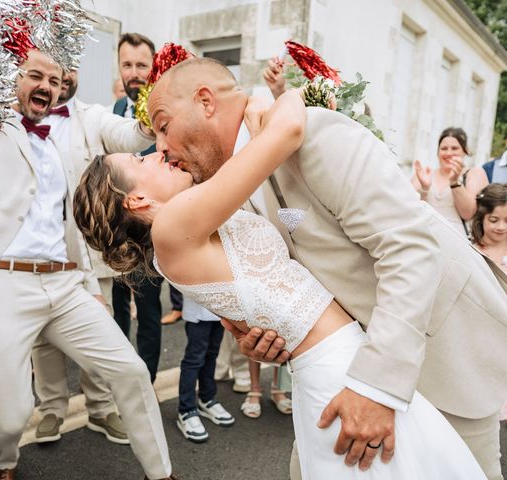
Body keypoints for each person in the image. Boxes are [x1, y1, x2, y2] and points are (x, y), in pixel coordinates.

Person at [75, 74, 487, 479]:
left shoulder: (197, 218)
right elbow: (288, 128)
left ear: (204, 102)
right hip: (337, 368)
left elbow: (294, 240)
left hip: (383, 356)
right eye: (142, 157)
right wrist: (285, 98)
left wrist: (262, 331)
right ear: (137, 198)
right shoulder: (174, 227)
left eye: (162, 129)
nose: (158, 148)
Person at [0, 49, 174, 480]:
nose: (46, 86)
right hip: (1, 283)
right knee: (11, 414)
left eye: (54, 80)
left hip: (64, 283)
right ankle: (2, 463)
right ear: (11, 78)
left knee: (129, 370)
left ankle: (162, 473)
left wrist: (162, 100)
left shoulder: (67, 131)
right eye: (34, 75)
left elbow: (133, 136)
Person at [30, 67, 155, 446]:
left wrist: (150, 115)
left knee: (99, 326)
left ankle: (100, 408)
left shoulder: (92, 116)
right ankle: (52, 408)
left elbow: (131, 135)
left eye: (67, 69)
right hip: (41, 245)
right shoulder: (20, 117)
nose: (61, 78)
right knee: (43, 337)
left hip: (88, 248)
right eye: (53, 71)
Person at [111, 32, 164, 381]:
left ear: (153, 66)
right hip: (118, 228)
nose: (134, 72)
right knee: (117, 311)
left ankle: (147, 381)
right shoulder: (116, 108)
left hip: (152, 229)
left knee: (147, 311)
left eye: (141, 65)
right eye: (127, 64)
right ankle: (119, 379)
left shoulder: (163, 108)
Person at [471, 183, 507, 422]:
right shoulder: (471, 252)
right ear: (482, 217)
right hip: (482, 338)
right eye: (494, 219)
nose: (501, 227)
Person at [176, 297, 234, 443]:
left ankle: (207, 398)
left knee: (212, 354)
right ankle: (186, 409)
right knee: (194, 359)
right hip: (197, 309)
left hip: (220, 309)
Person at [412, 127, 488, 237]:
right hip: (423, 238)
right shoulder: (424, 174)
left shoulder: (475, 174)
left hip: (456, 242)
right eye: (444, 148)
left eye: (454, 148)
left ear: (465, 151)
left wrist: (454, 182)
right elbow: (409, 209)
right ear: (438, 152)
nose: (449, 153)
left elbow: (468, 214)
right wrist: (424, 189)